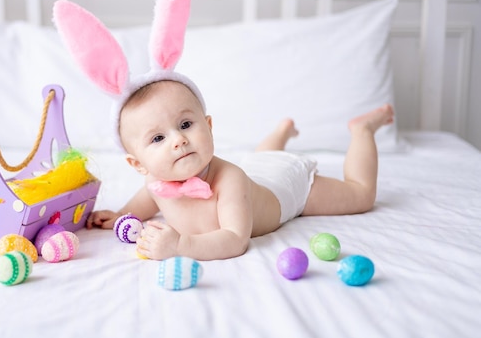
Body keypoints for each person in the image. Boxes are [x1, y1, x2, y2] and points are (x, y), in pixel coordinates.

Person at [85, 78, 394, 261]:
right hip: (260, 169)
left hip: (287, 189)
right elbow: (149, 198)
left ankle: (363, 131)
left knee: (361, 195)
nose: (178, 140)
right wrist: (123, 213)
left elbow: (235, 238)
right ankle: (282, 133)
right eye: (158, 138)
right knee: (263, 158)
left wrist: (181, 245)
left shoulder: (229, 179)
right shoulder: (156, 178)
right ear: (138, 164)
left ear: (208, 126)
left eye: (186, 124)